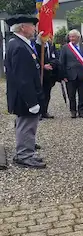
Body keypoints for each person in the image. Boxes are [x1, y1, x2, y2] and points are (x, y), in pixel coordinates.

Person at [4, 15, 45, 169]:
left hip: (24, 95)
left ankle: (25, 152)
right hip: (24, 96)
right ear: (23, 27)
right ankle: (24, 155)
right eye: (32, 26)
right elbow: (23, 78)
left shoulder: (19, 43)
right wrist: (32, 101)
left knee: (27, 124)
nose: (35, 29)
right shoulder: (19, 47)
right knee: (26, 125)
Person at [59, 29, 83, 118]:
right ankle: (73, 111)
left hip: (82, 75)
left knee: (82, 94)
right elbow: (61, 63)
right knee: (71, 95)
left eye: (73, 37)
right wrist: (62, 75)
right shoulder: (65, 48)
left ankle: (81, 111)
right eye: (70, 37)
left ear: (78, 37)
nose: (71, 39)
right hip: (70, 75)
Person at [37, 36, 60, 119]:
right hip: (39, 74)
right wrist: (42, 66)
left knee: (47, 94)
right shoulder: (37, 45)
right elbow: (35, 58)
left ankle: (44, 111)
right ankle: (38, 113)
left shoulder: (51, 45)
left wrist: (51, 64)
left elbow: (56, 58)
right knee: (39, 93)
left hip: (49, 74)